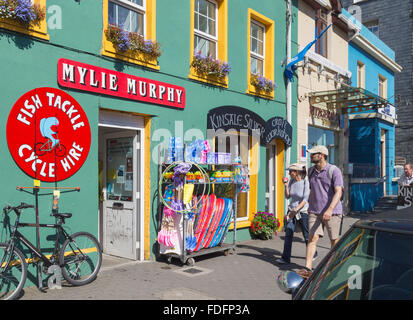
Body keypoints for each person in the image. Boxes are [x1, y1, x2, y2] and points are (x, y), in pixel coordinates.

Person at [304, 145, 344, 272]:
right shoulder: (310, 171)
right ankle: (307, 268)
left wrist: (330, 209)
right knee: (312, 238)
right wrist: (309, 205)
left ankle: (333, 267)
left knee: (334, 240)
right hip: (315, 212)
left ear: (321, 155)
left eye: (313, 154)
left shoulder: (334, 170)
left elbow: (339, 192)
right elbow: (312, 190)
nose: (311, 156)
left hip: (333, 212)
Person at [276, 163, 317, 264]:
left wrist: (296, 210)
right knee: (288, 234)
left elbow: (305, 200)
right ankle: (285, 258)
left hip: (303, 212)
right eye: (289, 171)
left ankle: (313, 253)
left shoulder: (305, 182)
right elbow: (287, 196)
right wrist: (286, 186)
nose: (289, 173)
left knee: (307, 235)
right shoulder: (291, 181)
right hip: (292, 211)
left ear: (297, 172)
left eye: (291, 171)